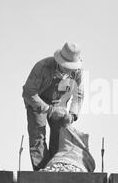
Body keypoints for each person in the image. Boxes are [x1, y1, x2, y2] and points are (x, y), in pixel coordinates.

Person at [22, 42, 84, 171]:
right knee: (38, 137)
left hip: (59, 102)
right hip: (37, 101)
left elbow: (79, 94)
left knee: (61, 134)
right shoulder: (42, 67)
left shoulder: (77, 72)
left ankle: (56, 168)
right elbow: (29, 93)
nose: (68, 69)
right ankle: (43, 172)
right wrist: (49, 110)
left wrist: (72, 114)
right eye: (66, 66)